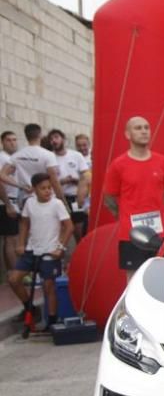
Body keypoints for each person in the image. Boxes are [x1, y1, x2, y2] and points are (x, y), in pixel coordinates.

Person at [104, 117, 164, 281]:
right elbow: (108, 197)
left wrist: (154, 209)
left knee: (159, 278)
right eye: (138, 128)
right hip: (130, 234)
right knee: (134, 280)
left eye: (146, 127)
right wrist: (123, 215)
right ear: (127, 134)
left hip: (158, 232)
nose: (144, 131)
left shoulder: (162, 161)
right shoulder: (118, 164)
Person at [8, 173, 72, 331]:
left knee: (48, 285)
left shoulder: (56, 204)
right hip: (32, 249)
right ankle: (29, 307)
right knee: (14, 279)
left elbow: (68, 226)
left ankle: (51, 319)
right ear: (34, 189)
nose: (47, 191)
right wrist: (21, 244)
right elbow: (24, 224)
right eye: (43, 188)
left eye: (49, 188)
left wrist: (60, 248)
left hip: (50, 251)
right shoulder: (30, 203)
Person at [8, 123, 66, 206]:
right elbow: (54, 180)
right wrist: (62, 200)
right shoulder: (48, 154)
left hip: (26, 198)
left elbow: (2, 175)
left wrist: (21, 186)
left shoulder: (17, 155)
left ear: (26, 136)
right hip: (46, 198)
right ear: (40, 135)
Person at [48, 129, 90, 243]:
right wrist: (62, 181)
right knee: (60, 229)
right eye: (51, 139)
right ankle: (60, 257)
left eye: (56, 137)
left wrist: (76, 180)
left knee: (79, 229)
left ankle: (81, 254)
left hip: (75, 198)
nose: (54, 141)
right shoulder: (49, 157)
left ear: (63, 139)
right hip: (57, 199)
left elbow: (86, 176)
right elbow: (48, 180)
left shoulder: (76, 155)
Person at [0, 131, 21, 274]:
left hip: (11, 201)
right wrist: (7, 204)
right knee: (11, 239)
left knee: (11, 238)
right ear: (2, 142)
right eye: (9, 140)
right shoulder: (2, 158)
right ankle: (15, 274)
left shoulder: (11, 158)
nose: (12, 143)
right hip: (5, 202)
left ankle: (9, 272)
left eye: (14, 140)